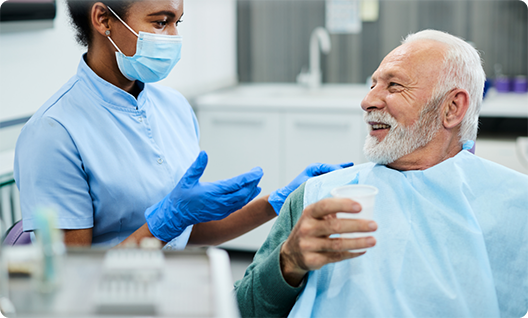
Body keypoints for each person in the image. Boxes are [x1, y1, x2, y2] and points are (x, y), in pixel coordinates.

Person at [234, 29, 528, 318]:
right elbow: (241, 308)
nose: (367, 101)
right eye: (372, 85)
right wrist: (287, 261)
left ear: (452, 108)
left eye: (394, 86)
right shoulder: (317, 200)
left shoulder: (517, 206)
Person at [13, 0, 352, 248]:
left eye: (178, 22)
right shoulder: (54, 132)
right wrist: (163, 223)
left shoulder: (174, 107)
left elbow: (189, 232)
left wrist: (279, 201)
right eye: (161, 22)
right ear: (103, 19)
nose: (173, 37)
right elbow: (70, 285)